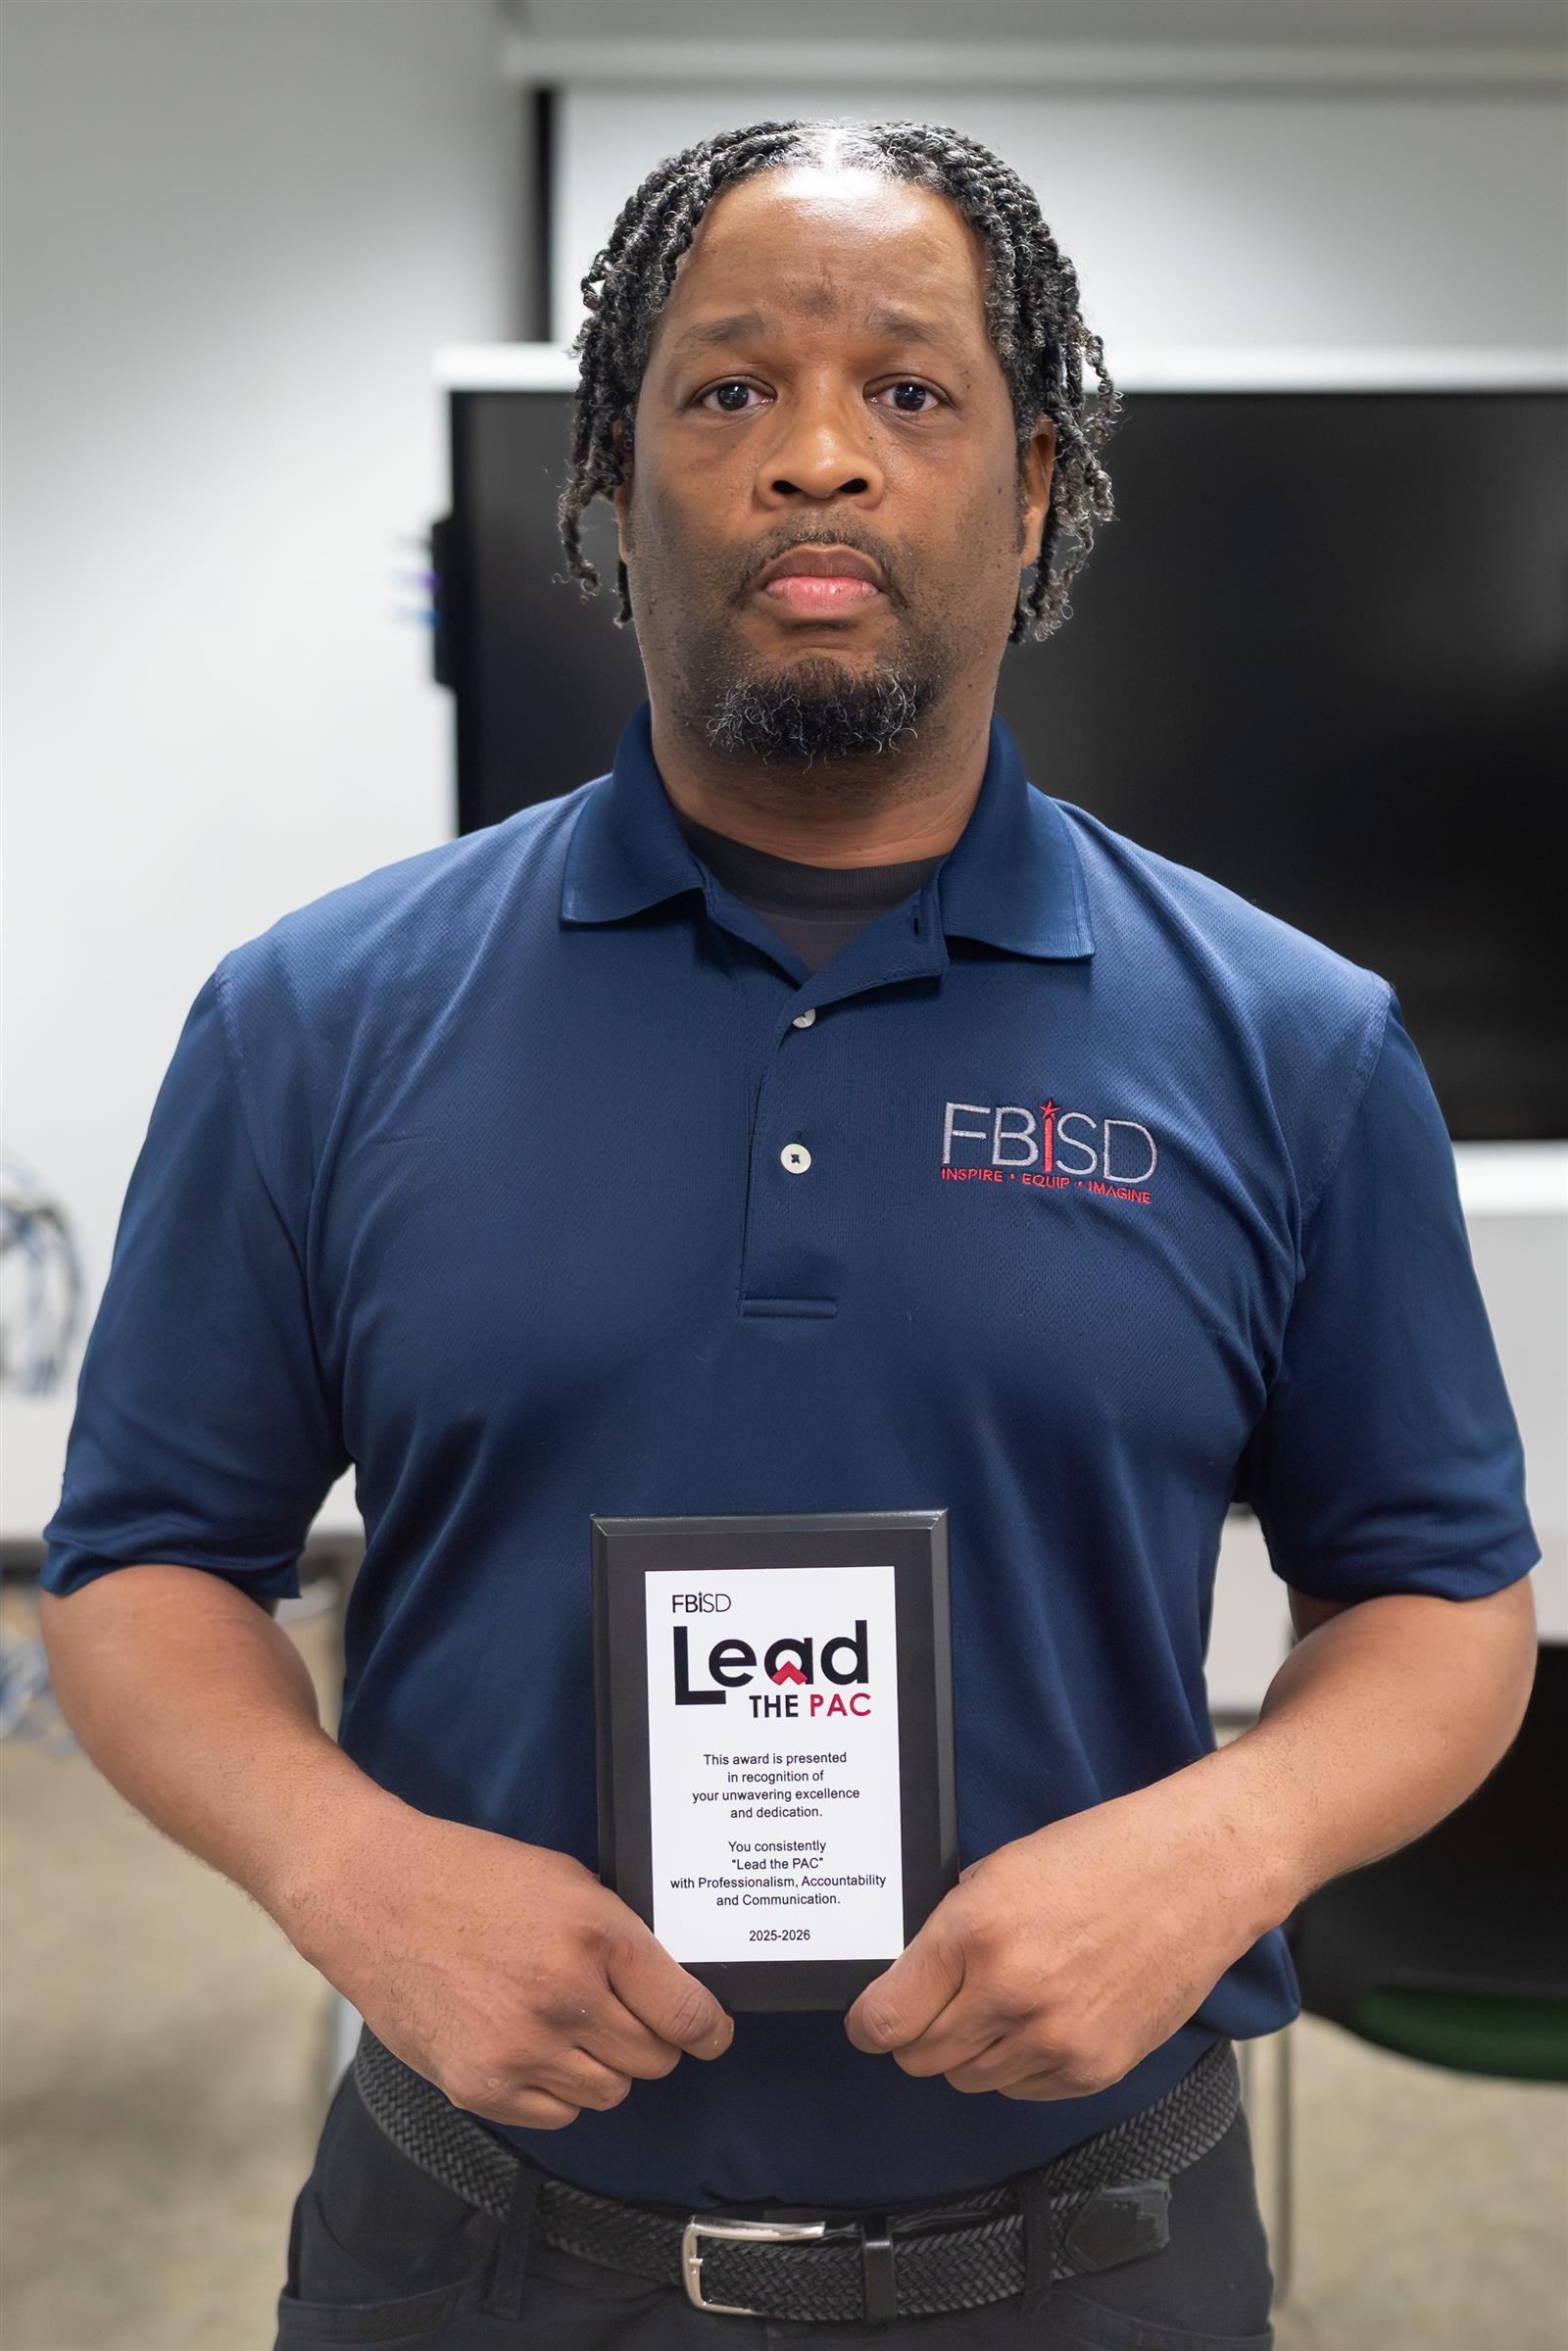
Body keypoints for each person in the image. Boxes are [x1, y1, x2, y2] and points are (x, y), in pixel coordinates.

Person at [38, 119, 1539, 2348]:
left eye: (908, 391)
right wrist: (344, 1865)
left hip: (1088, 2261)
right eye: (727, 388)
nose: (815, 456)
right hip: (475, 2261)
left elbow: (1439, 1596)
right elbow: (142, 1568)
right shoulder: (317, 1021)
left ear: (1031, 493)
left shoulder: (1291, 1044)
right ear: (608, 481)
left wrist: (1226, 1842)